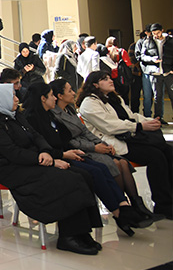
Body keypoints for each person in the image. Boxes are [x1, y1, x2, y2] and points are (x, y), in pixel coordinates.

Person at [0, 85, 103, 255]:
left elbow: (37, 136)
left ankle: (82, 231)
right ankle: (68, 236)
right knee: (68, 179)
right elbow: (12, 153)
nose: (17, 99)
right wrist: (46, 161)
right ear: (0, 99)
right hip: (13, 169)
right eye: (12, 96)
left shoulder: (15, 115)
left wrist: (45, 151)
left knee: (84, 175)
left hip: (32, 161)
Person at [22, 82, 151, 236]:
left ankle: (124, 207)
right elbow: (44, 145)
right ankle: (119, 213)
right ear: (43, 98)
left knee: (101, 168)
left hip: (67, 152)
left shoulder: (50, 114)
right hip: (55, 157)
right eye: (51, 96)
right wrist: (65, 153)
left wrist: (90, 146)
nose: (54, 99)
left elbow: (66, 136)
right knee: (94, 172)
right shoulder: (33, 118)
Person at [49, 78, 163, 222]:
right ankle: (122, 209)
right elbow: (69, 141)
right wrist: (95, 147)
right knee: (113, 164)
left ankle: (134, 205)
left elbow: (85, 132)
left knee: (122, 164)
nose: (73, 93)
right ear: (59, 95)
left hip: (93, 144)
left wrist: (101, 144)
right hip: (81, 149)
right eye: (69, 90)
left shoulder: (70, 110)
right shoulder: (58, 114)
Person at [77, 71, 172, 219]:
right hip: (114, 143)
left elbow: (131, 115)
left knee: (168, 151)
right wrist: (139, 126)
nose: (110, 81)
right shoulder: (89, 103)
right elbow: (110, 126)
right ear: (95, 84)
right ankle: (163, 204)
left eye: (110, 78)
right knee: (156, 156)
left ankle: (169, 198)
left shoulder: (115, 98)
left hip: (130, 137)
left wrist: (149, 121)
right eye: (105, 79)